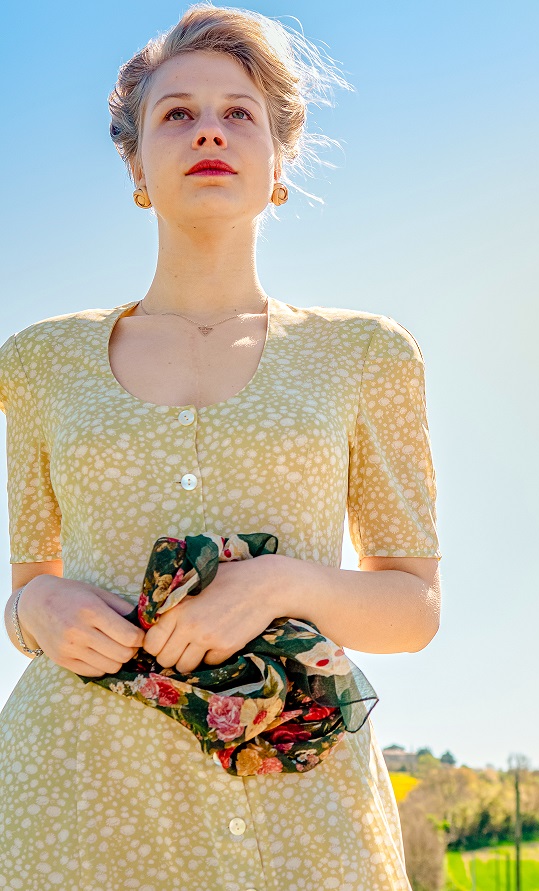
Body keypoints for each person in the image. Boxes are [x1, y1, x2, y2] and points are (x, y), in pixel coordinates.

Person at [0, 3, 442, 889]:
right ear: (136, 162)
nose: (210, 130)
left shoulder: (366, 354)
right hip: (76, 798)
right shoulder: (38, 363)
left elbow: (415, 606)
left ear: (279, 158)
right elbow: (25, 591)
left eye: (239, 112)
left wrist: (279, 585)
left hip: (299, 801)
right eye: (177, 113)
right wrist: (36, 608)